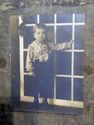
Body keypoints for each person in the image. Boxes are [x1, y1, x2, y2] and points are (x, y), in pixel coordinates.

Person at [26, 23, 73, 104]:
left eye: (43, 33)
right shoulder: (32, 46)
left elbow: (57, 46)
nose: (41, 35)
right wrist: (30, 70)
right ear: (34, 35)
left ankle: (45, 100)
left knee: (45, 83)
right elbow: (29, 59)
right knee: (35, 84)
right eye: (38, 33)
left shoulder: (48, 44)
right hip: (37, 67)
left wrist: (68, 44)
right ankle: (35, 99)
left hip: (46, 67)